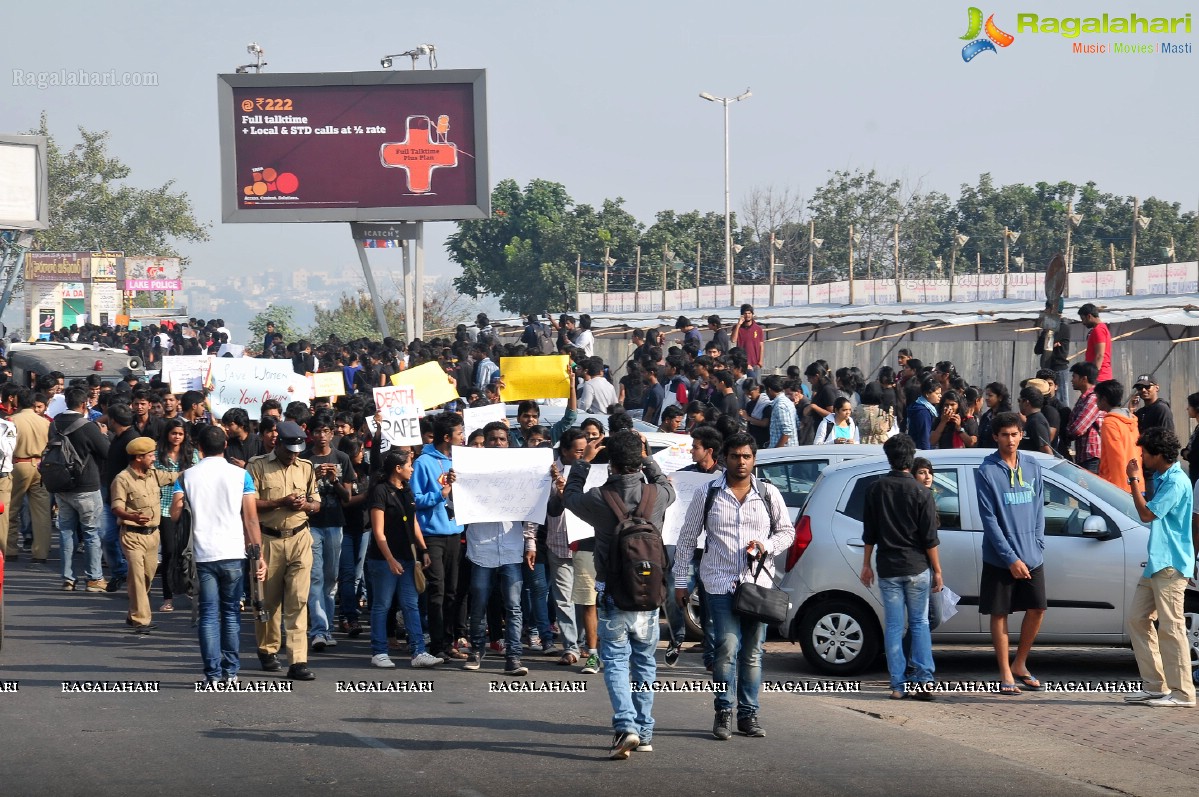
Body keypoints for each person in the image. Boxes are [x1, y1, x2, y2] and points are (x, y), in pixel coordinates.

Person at [563, 430, 675, 758]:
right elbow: (666, 484)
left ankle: (625, 726)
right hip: (649, 598)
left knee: (614, 661)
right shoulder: (657, 495)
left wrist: (583, 462)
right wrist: (648, 455)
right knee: (644, 663)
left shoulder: (599, 498)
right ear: (638, 459)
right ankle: (645, 730)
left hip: (613, 594)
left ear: (609, 463)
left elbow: (569, 498)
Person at [674, 432, 793, 740]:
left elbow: (787, 532)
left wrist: (766, 545)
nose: (741, 462)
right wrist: (679, 581)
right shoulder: (708, 493)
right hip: (718, 583)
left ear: (754, 459)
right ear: (724, 458)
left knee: (752, 653)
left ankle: (748, 716)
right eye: (735, 456)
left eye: (747, 456)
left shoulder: (768, 493)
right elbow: (688, 537)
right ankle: (723, 711)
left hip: (757, 586)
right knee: (726, 648)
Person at [171, 425, 265, 686]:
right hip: (234, 552)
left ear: (199, 447)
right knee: (232, 613)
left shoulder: (186, 477)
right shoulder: (241, 475)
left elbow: (175, 514)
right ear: (225, 445)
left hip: (202, 555)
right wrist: (258, 556)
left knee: (208, 615)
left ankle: (212, 674)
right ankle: (231, 672)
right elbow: (251, 519)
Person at [860, 434, 941, 699]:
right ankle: (924, 679)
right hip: (917, 566)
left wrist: (866, 565)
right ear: (910, 458)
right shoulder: (921, 492)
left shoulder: (875, 489)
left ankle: (897, 684)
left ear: (888, 457)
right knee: (919, 623)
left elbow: (869, 532)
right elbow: (930, 538)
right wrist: (937, 570)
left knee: (894, 626)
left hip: (887, 566)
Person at [1123, 427, 1196, 707]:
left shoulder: (1176, 482)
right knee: (1137, 619)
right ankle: (1155, 686)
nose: (1142, 458)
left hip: (1170, 565)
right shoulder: (1166, 477)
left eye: (1145, 454)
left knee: (1171, 627)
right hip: (1158, 563)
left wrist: (1133, 480)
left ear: (1157, 454)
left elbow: (1146, 513)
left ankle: (1182, 693)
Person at [975, 412, 1047, 696]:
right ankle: (1005, 671)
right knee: (1000, 612)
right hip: (1000, 557)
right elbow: (989, 520)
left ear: (1021, 434)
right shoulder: (986, 471)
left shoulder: (1032, 464)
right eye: (1004, 435)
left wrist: (1038, 545)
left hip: (1033, 554)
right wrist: (1010, 558)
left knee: (1038, 607)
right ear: (995, 437)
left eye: (1015, 434)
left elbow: (1040, 507)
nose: (1010, 440)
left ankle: (1020, 663)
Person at [248, 420, 321, 681]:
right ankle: (267, 649)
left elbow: (316, 503)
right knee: (268, 600)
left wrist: (305, 505)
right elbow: (249, 504)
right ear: (277, 443)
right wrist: (280, 502)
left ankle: (297, 660)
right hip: (269, 541)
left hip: (300, 538)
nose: (293, 455)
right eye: (289, 450)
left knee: (298, 601)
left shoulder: (307, 467)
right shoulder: (257, 465)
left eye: (298, 450)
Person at [462, 422, 534, 676]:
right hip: (482, 547)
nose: (497, 443)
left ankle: (513, 657)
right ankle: (476, 650)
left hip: (512, 547)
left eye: (502, 439)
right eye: (492, 439)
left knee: (514, 606)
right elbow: (455, 505)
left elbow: (532, 509)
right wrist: (452, 486)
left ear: (508, 442)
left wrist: (530, 542)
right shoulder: (468, 470)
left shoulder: (519, 472)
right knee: (479, 603)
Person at [366, 448, 443, 669]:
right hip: (383, 561)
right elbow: (378, 532)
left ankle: (418, 651)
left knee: (411, 604)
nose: (412, 469)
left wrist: (423, 549)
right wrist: (390, 559)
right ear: (398, 468)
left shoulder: (407, 491)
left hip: (407, 559)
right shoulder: (379, 491)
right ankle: (379, 651)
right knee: (382, 605)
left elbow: (414, 523)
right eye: (409, 465)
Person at [663, 426, 723, 668]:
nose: (691, 450)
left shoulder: (724, 478)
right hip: (686, 551)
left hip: (713, 553)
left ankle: (710, 654)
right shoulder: (684, 475)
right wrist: (669, 485)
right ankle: (676, 639)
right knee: (673, 594)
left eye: (695, 447)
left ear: (708, 451)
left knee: (709, 605)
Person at [109, 436, 181, 632]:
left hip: (153, 536)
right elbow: (116, 508)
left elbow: (176, 477)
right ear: (138, 457)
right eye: (150, 455)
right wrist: (131, 516)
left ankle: (134, 613)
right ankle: (142, 620)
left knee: (147, 577)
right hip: (132, 536)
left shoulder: (154, 474)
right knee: (138, 577)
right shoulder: (122, 479)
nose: (153, 458)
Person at [410, 412, 465, 662]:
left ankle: (450, 640)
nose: (463, 437)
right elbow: (416, 500)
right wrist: (442, 493)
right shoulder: (423, 462)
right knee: (437, 591)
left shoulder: (462, 459)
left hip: (455, 534)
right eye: (459, 433)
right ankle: (437, 643)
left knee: (453, 591)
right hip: (432, 535)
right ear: (446, 437)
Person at [54, 388, 111, 592]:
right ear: (84, 403)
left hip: (61, 486)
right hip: (86, 486)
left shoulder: (55, 423)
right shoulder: (88, 426)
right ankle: (94, 578)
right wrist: (103, 435)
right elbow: (105, 452)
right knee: (90, 532)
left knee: (66, 532)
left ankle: (68, 578)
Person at [304, 416, 353, 652]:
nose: (322, 435)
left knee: (331, 578)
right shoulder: (304, 458)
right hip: (311, 524)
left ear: (332, 434)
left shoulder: (342, 458)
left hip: (334, 523)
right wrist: (314, 477)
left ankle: (327, 628)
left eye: (326, 431)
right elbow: (296, 492)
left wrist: (334, 481)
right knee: (315, 578)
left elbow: (348, 498)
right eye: (317, 431)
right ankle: (319, 631)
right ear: (310, 434)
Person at [6, 387, 52, 565]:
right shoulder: (45, 422)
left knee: (11, 509)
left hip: (18, 464)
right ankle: (40, 553)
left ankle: (10, 549)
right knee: (41, 512)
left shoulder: (11, 421)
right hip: (41, 466)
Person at [1094, 380, 1139, 492]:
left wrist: (1119, 491)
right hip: (1136, 481)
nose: (1095, 401)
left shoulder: (1110, 423)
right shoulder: (1130, 420)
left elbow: (1116, 457)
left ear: (1104, 399)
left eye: (1097, 397)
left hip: (1118, 486)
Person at [1066, 362, 1103, 473]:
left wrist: (1069, 431)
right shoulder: (1084, 398)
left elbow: (1077, 429)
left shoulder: (1093, 398)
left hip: (1091, 456)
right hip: (1084, 455)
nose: (1072, 380)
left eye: (1074, 377)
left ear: (1084, 379)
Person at [1033, 303, 1071, 404]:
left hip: (1059, 369)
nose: (1045, 311)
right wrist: (1045, 334)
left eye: (1047, 308)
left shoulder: (1062, 327)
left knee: (1061, 400)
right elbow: (1038, 349)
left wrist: (1049, 340)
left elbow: (1047, 345)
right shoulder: (1048, 329)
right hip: (1048, 368)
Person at [1078, 302, 1113, 383]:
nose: (1083, 323)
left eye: (1083, 319)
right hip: (1101, 375)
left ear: (1089, 316)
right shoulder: (1101, 328)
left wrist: (1092, 377)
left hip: (1100, 377)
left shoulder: (1098, 330)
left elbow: (1100, 355)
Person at [905, 377, 942, 450]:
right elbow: (924, 436)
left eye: (940, 393)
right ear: (927, 394)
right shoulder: (923, 412)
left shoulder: (918, 406)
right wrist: (926, 454)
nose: (940, 396)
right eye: (937, 393)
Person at [1016, 386, 1053, 455]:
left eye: (1019, 400)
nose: (1019, 404)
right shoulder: (1031, 420)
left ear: (1026, 402)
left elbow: (1046, 451)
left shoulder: (1037, 422)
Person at [730, 305, 765, 377]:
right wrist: (738, 324)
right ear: (742, 315)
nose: (747, 315)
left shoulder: (758, 329)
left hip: (755, 364)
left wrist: (760, 361)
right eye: (745, 313)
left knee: (755, 385)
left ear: (752, 314)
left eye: (749, 313)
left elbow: (761, 346)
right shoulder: (737, 327)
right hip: (742, 364)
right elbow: (733, 340)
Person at [765, 375, 796, 448]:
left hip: (783, 453)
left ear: (769, 389)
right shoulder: (788, 401)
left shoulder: (780, 405)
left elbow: (787, 431)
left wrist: (776, 450)